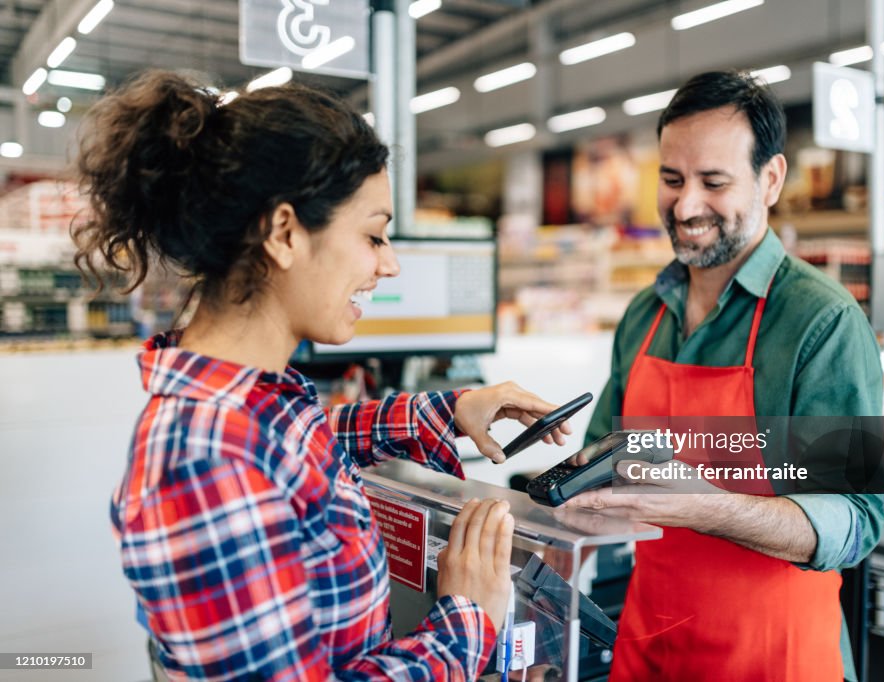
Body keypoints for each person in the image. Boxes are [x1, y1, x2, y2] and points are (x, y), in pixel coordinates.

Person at [73, 71, 571, 681]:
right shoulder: (206, 459)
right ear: (284, 233)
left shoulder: (251, 397)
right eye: (372, 234)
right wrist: (468, 618)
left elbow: (303, 440)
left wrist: (447, 410)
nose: (388, 264)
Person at [566, 71, 884, 681]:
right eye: (671, 179)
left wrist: (707, 507)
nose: (686, 206)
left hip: (775, 655)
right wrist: (569, 497)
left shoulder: (822, 322)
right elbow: (608, 456)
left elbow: (856, 519)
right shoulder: (644, 314)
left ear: (771, 179)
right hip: (653, 642)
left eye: (713, 182)